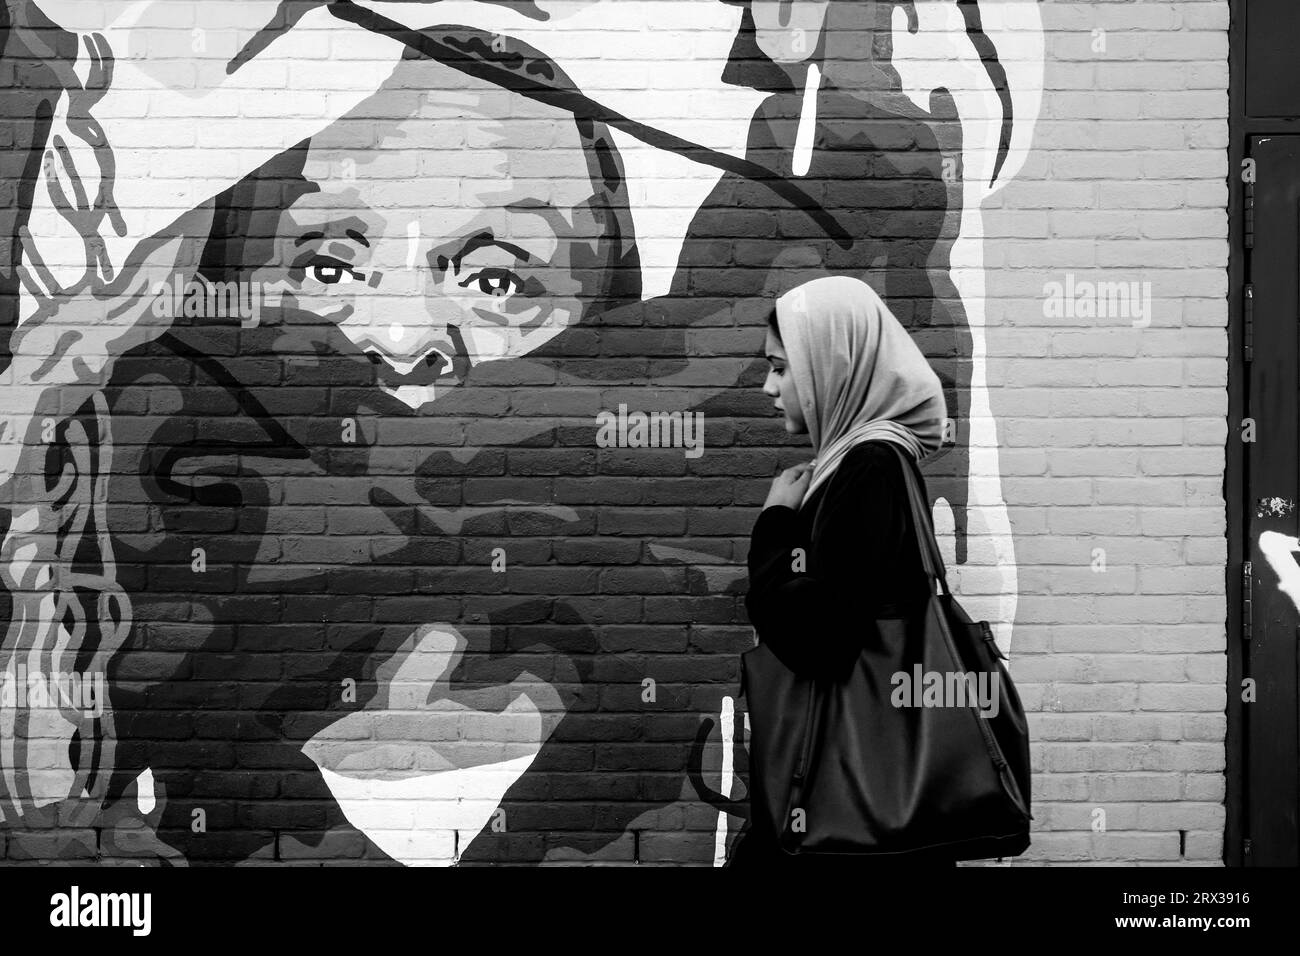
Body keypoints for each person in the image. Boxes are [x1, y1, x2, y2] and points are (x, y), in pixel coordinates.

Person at [729, 274, 955, 867]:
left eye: (780, 368)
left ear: (832, 364)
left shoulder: (869, 468)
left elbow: (819, 638)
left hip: (847, 802)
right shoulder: (860, 464)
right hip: (858, 794)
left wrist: (775, 525)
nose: (766, 386)